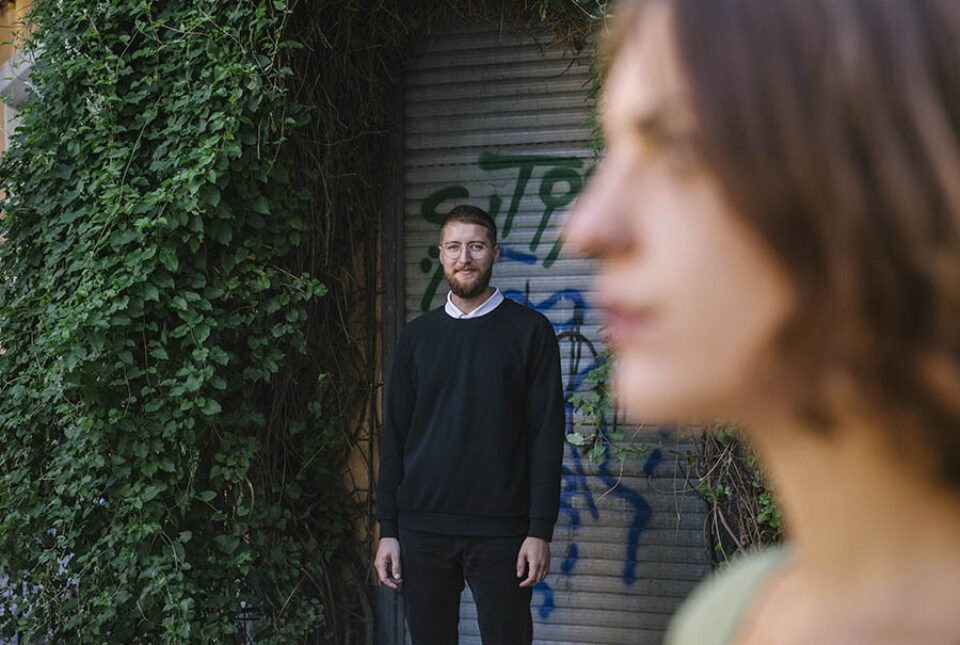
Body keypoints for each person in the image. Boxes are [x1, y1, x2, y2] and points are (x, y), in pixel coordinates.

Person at [564, 0, 960, 643]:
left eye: (680, 146)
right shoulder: (728, 617)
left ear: (890, 182)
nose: (586, 227)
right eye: (615, 149)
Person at [375, 204, 564, 644]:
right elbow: (395, 435)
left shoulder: (530, 331)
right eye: (454, 247)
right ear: (441, 254)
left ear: (495, 253)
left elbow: (546, 436)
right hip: (422, 530)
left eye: (476, 247)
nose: (465, 258)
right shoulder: (417, 337)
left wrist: (539, 531)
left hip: (503, 533)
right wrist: (388, 531)